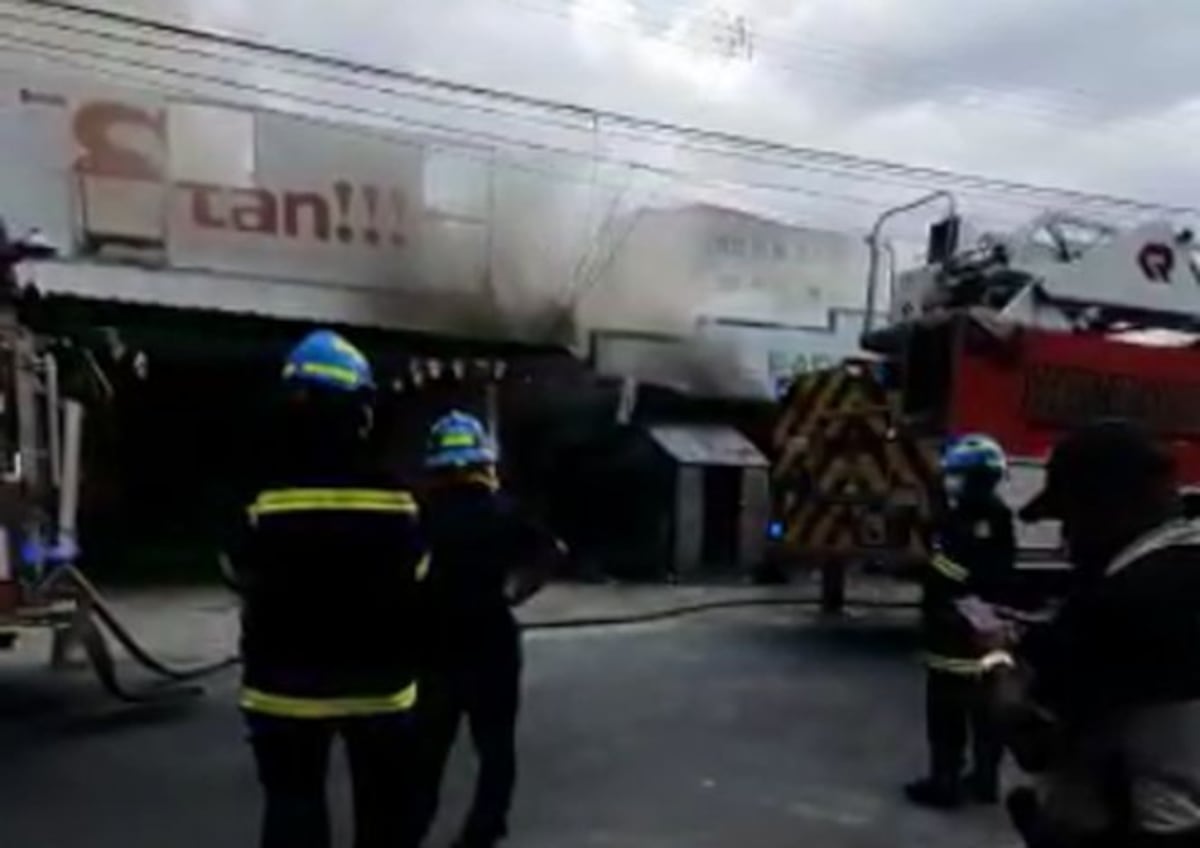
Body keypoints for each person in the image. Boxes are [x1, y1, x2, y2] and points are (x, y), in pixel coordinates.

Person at [228, 329, 430, 848]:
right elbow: (420, 572)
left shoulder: (261, 491)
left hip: (282, 690)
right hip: (379, 689)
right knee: (386, 818)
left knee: (293, 810)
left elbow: (235, 568)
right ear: (359, 411)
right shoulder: (396, 495)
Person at [996, 419, 1200, 847]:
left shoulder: (1121, 600)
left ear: (1110, 505)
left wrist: (1001, 677)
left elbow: (1040, 746)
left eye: (1071, 518)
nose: (1066, 539)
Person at [414, 410, 563, 848]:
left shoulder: (421, 515)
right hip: (493, 641)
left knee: (427, 750)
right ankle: (485, 827)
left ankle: (413, 825)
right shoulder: (505, 512)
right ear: (483, 461)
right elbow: (552, 553)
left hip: (435, 646)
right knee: (495, 747)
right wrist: (517, 593)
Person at [905, 433, 1016, 809]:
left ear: (978, 477)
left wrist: (927, 565)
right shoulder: (993, 514)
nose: (952, 480)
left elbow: (959, 570)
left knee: (946, 712)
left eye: (959, 474)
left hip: (954, 629)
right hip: (982, 628)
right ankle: (984, 780)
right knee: (984, 713)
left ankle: (945, 783)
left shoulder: (974, 518)